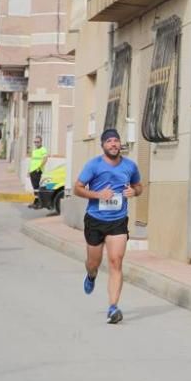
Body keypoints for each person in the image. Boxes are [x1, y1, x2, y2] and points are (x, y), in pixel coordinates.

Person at [74, 128, 142, 324]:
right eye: (109, 141)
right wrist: (97, 195)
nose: (113, 144)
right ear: (103, 145)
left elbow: (139, 186)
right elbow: (78, 187)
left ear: (120, 144)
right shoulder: (93, 165)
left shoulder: (130, 166)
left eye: (116, 141)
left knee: (115, 262)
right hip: (95, 220)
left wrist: (134, 192)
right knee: (93, 263)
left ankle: (113, 308)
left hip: (118, 221)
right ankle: (91, 275)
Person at [28, 135, 48, 209]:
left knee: (36, 187)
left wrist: (39, 168)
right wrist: (28, 170)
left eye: (37, 142)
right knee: (35, 188)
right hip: (32, 171)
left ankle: (38, 203)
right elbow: (32, 161)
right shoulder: (34, 151)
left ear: (41, 142)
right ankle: (36, 202)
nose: (36, 143)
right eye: (35, 142)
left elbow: (45, 159)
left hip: (37, 171)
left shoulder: (43, 150)